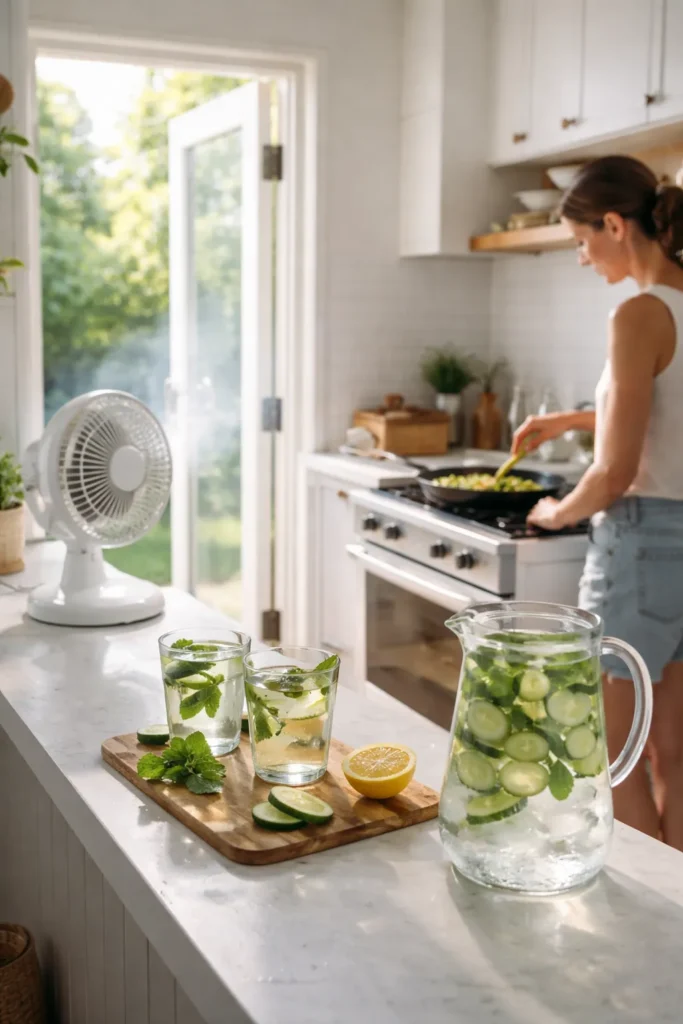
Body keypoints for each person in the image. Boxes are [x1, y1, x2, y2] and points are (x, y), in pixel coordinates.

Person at [512, 155, 683, 850]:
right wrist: (569, 421)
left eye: (583, 241)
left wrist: (552, 513)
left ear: (614, 224)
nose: (583, 259)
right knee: (672, 754)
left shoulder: (636, 313)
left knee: (608, 760)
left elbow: (613, 474)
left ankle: (642, 935)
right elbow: (668, 415)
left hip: (639, 549)